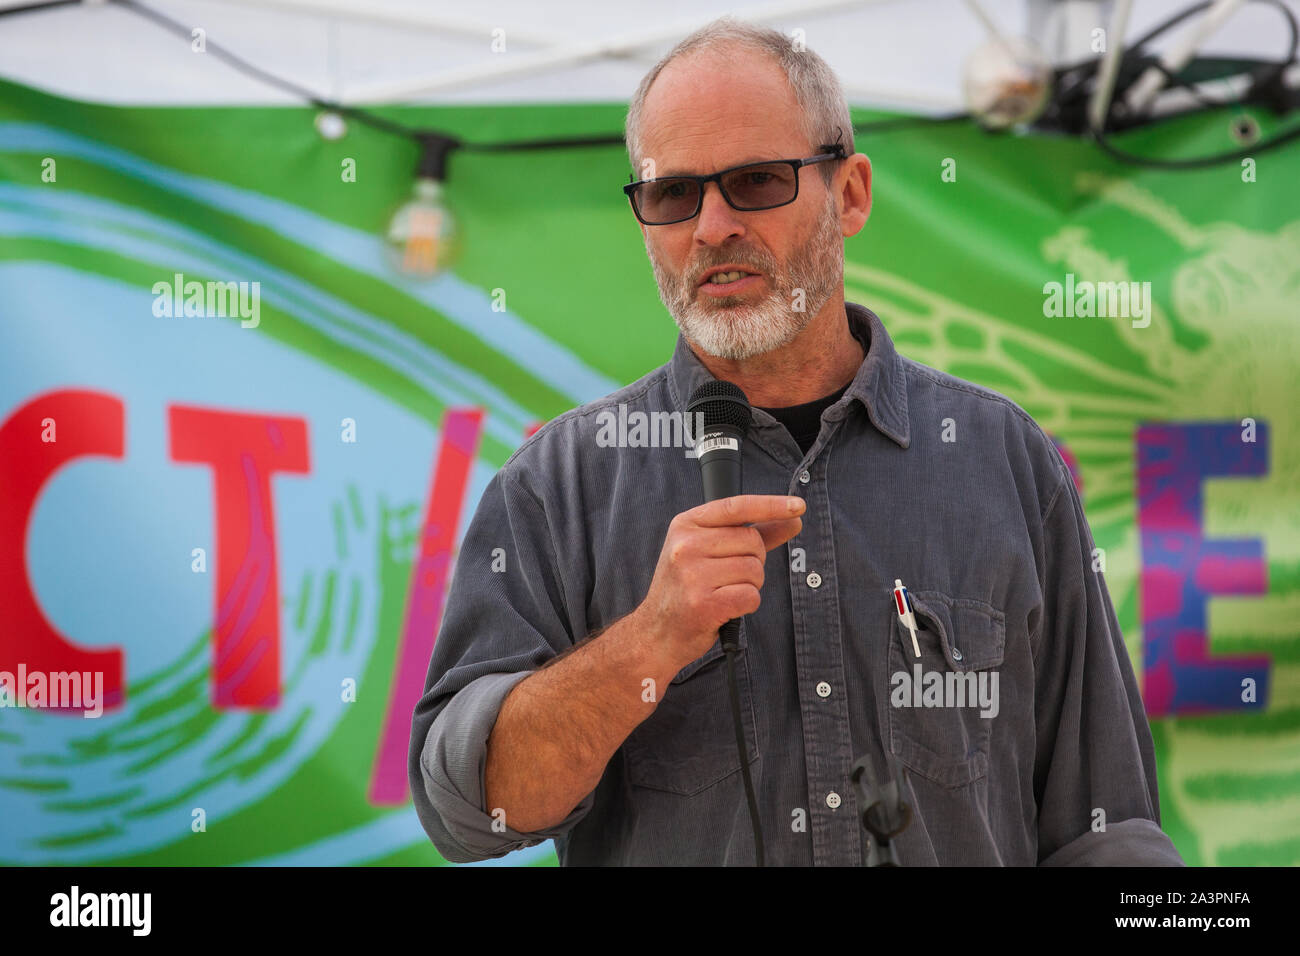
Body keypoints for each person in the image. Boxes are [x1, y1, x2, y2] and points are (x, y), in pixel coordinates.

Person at [407, 17, 1184, 866]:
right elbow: (470, 811)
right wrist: (650, 642)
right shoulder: (557, 489)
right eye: (673, 195)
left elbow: (1108, 832)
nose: (710, 228)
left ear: (849, 194)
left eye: (755, 181)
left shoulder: (1005, 462)